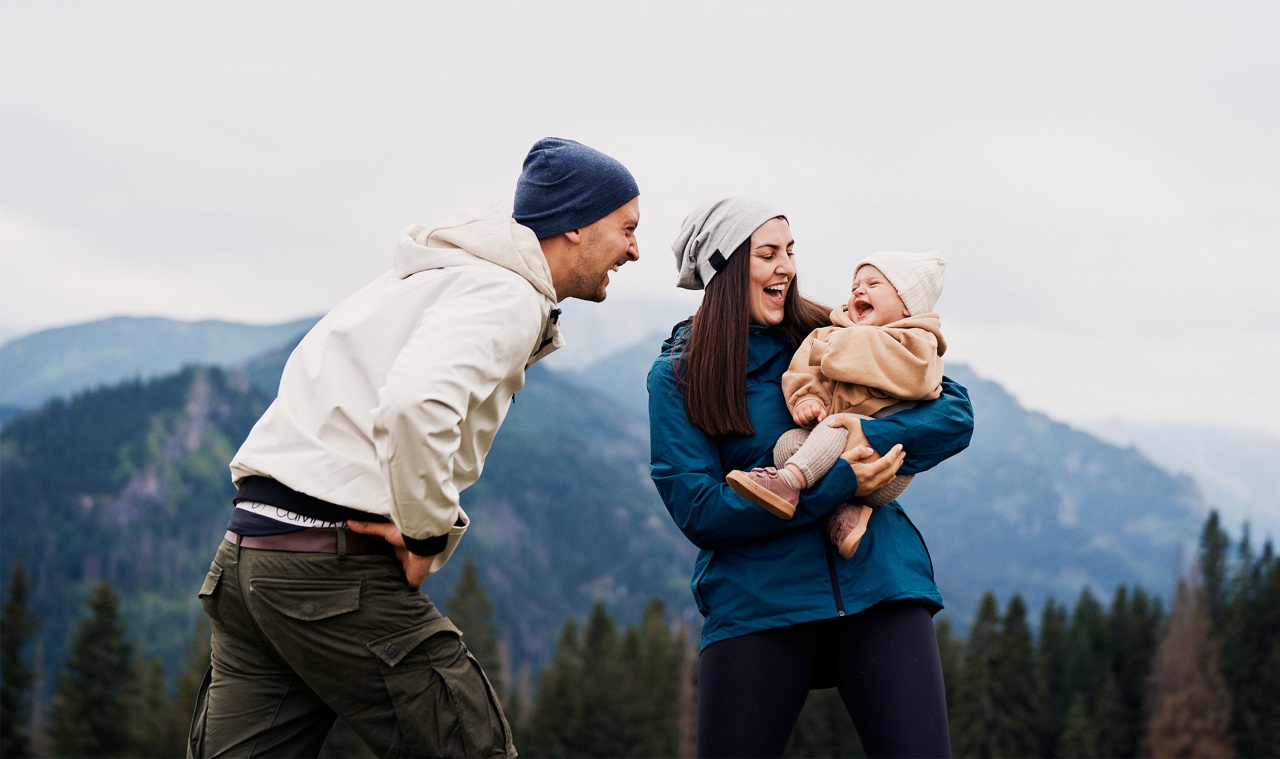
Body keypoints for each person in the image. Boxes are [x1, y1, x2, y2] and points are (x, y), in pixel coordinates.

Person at [188, 137, 641, 758]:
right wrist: (428, 532)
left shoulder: (428, 278)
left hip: (249, 558)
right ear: (575, 227)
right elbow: (415, 404)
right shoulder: (507, 293)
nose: (635, 249)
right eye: (626, 228)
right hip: (330, 568)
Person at [648, 196, 972, 758]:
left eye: (790, 251)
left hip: (882, 587)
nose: (787, 268)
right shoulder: (679, 374)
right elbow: (700, 510)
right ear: (725, 272)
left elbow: (953, 413)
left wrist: (863, 437)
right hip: (759, 604)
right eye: (768, 254)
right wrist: (837, 482)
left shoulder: (828, 331)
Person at [726, 250, 947, 559]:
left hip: (887, 464)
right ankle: (844, 514)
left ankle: (788, 483)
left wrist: (841, 347)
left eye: (873, 284)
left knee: (838, 424)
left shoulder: (918, 342)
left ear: (907, 303)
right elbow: (802, 371)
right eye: (855, 284)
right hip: (833, 454)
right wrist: (807, 400)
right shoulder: (830, 332)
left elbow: (917, 378)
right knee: (787, 445)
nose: (859, 290)